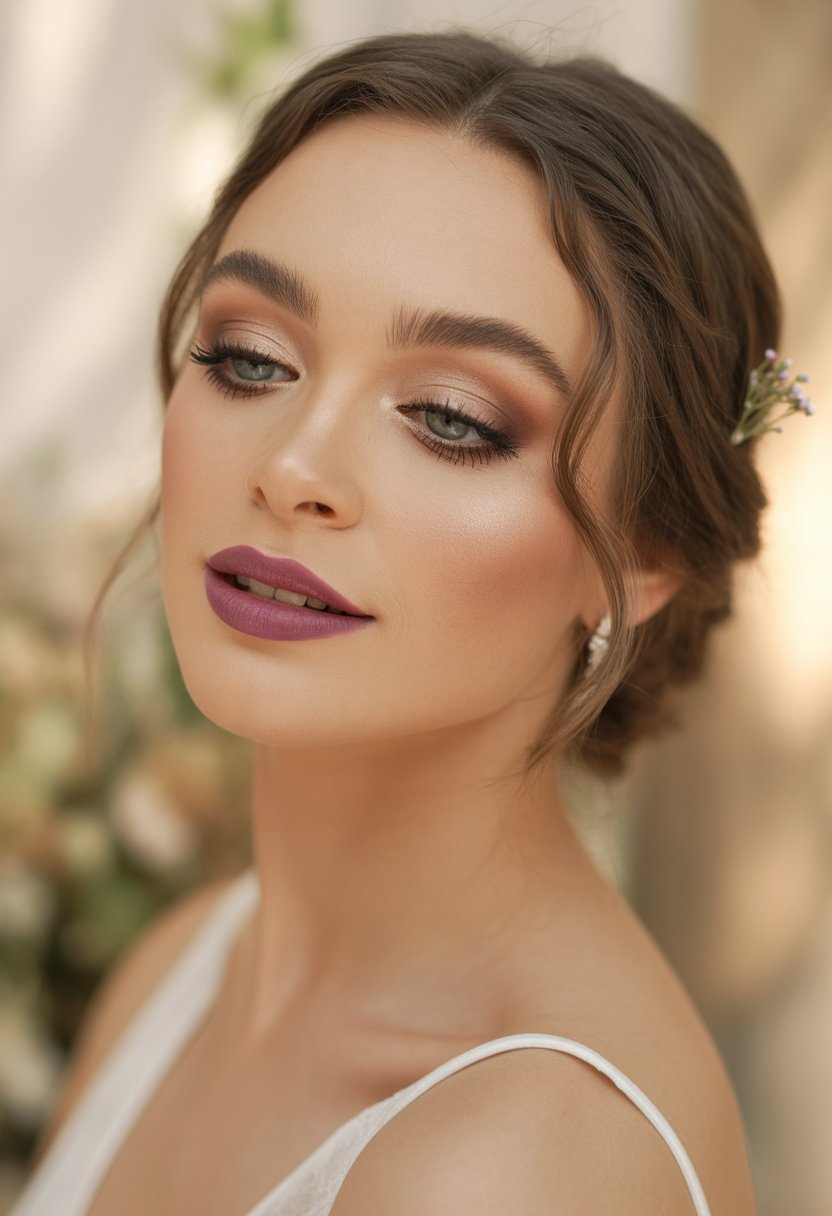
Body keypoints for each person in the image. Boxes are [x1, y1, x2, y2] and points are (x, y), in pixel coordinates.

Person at [12, 27, 792, 1215]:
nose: (295, 467)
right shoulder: (179, 970)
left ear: (643, 557)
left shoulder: (521, 1166)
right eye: (250, 358)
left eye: (449, 417)